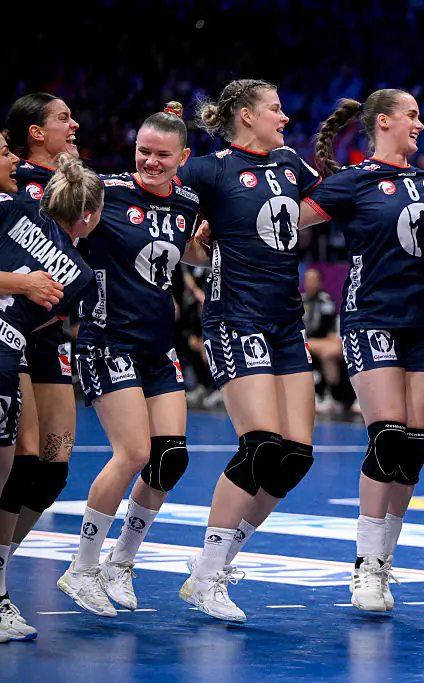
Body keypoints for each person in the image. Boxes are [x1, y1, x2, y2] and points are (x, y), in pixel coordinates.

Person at [298, 88, 424, 613]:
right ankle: (365, 565)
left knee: (414, 445)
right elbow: (282, 221)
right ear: (383, 121)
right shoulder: (352, 181)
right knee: (387, 437)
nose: (420, 124)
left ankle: (384, 560)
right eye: (412, 115)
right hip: (372, 316)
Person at [175, 79, 321, 623]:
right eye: (275, 109)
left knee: (295, 456)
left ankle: (210, 568)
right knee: (260, 445)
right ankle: (210, 575)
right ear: (245, 115)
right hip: (236, 317)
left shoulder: (291, 164)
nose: (285, 117)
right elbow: (172, 233)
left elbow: (319, 207)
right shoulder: (208, 170)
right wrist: (199, 249)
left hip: (286, 322)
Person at [55, 103, 205, 617]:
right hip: (109, 340)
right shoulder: (107, 193)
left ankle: (121, 563)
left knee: (170, 458)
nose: (151, 162)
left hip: (157, 345)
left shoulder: (187, 201)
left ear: (183, 157)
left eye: (163, 155)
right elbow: (60, 227)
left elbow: (185, 250)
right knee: (133, 453)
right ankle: (82, 568)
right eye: (144, 151)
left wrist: (212, 248)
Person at [0, 152, 104, 641]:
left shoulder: (16, 207)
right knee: (13, 469)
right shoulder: (79, 275)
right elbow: (38, 320)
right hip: (11, 349)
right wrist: (21, 283)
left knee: (39, 469)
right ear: (89, 216)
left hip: (26, 353)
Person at [1, 95, 82, 570]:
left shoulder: (75, 182)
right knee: (22, 461)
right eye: (63, 119)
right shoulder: (14, 185)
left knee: (53, 471)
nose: (74, 125)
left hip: (51, 337)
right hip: (14, 332)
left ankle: (1, 565)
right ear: (35, 132)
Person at [301, 267, 348, 416]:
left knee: (328, 353)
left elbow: (326, 327)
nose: (310, 283)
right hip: (305, 341)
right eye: (307, 279)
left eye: (313, 280)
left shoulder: (325, 300)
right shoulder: (299, 300)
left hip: (321, 341)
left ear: (319, 282)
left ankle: (330, 396)